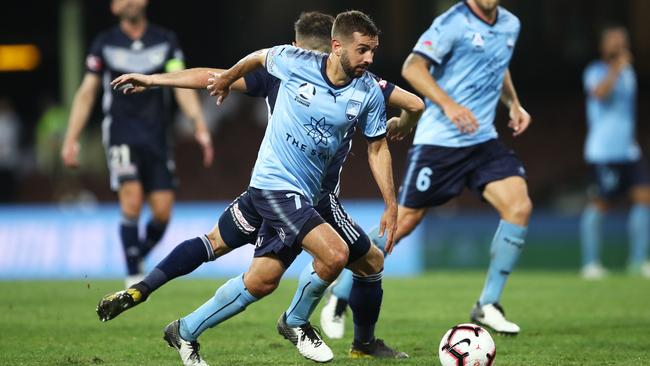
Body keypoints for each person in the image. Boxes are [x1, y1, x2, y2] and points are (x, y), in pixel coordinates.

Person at [104, 11, 410, 365]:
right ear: (331, 46)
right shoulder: (288, 67)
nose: (369, 59)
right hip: (276, 186)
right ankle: (295, 322)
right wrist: (159, 80)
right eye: (363, 51)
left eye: (372, 52)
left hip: (315, 197)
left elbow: (400, 116)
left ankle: (182, 328)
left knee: (256, 272)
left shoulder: (365, 86)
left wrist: (404, 126)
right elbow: (221, 72)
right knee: (333, 255)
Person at [322, 0, 532, 337]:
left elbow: (498, 63)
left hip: (482, 139)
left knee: (519, 206)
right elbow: (413, 67)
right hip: (440, 141)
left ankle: (488, 303)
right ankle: (341, 293)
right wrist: (448, 105)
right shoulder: (453, 22)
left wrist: (514, 103)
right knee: (402, 224)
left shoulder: (510, 24)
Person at [60, 0, 213, 287]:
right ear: (113, 7)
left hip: (157, 137)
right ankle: (133, 276)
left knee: (163, 211)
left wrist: (199, 125)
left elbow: (182, 85)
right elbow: (87, 92)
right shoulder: (104, 43)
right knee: (130, 198)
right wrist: (71, 138)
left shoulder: (165, 41)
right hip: (120, 135)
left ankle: (136, 253)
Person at [580, 25, 650, 279]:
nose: (619, 45)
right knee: (600, 204)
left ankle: (639, 260)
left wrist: (622, 69)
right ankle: (590, 263)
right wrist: (617, 68)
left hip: (628, 150)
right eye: (613, 41)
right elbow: (599, 93)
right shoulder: (595, 71)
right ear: (603, 46)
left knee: (644, 198)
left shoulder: (629, 72)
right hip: (603, 151)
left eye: (622, 41)